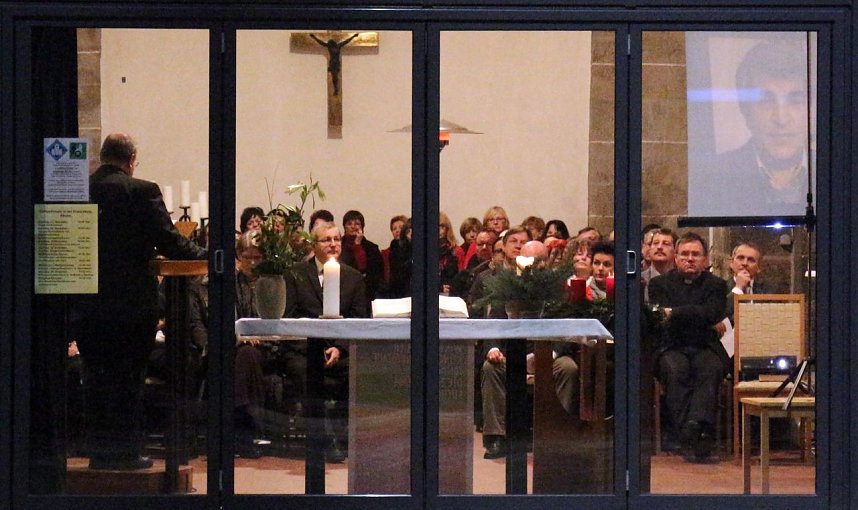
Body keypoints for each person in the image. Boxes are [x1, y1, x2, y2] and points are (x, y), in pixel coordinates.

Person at [78, 133, 206, 470]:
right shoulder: (142, 191)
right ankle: (126, 452)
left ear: (102, 156)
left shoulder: (82, 190)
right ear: (132, 160)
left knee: (96, 377)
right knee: (129, 379)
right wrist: (208, 255)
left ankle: (99, 452)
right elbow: (171, 242)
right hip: (132, 303)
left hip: (88, 303)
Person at [470, 227, 579, 459]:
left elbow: (567, 330)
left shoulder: (559, 290)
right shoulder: (506, 286)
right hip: (511, 355)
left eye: (538, 261)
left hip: (548, 355)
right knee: (490, 368)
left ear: (546, 262)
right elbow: (494, 323)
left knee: (568, 367)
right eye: (528, 260)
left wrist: (548, 356)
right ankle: (497, 437)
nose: (533, 266)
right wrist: (493, 348)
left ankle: (554, 434)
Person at [283, 222, 368, 463]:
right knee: (304, 372)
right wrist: (315, 348)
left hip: (340, 350)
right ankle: (325, 438)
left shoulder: (353, 278)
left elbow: (359, 319)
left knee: (359, 371)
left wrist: (339, 348)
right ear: (313, 245)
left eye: (336, 239)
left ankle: (345, 436)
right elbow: (289, 317)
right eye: (326, 240)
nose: (333, 244)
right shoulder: (296, 274)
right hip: (303, 349)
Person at [703, 40, 811, 216]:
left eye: (795, 101)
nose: (781, 119)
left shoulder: (835, 171)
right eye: (766, 101)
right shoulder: (712, 177)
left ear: (812, 109)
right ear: (745, 108)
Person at [648, 232, 728, 461]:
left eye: (695, 254)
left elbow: (712, 313)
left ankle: (691, 427)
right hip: (672, 346)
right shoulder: (658, 284)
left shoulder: (717, 285)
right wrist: (696, 314)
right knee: (675, 371)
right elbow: (661, 315)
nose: (690, 259)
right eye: (684, 254)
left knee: (710, 369)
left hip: (705, 345)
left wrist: (675, 312)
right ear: (676, 258)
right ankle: (695, 432)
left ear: (705, 259)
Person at [339, 209, 383, 313]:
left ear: (362, 227)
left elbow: (370, 272)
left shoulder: (372, 248)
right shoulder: (338, 246)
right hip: (342, 291)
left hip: (366, 292)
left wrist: (357, 246)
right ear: (344, 227)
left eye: (357, 224)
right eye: (349, 223)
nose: (353, 226)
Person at [642, 228, 677, 304]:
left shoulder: (681, 280)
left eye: (666, 244)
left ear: (675, 251)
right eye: (655, 243)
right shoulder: (640, 280)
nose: (659, 247)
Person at [439, 211, 464, 294]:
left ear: (447, 229)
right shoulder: (426, 252)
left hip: (451, 292)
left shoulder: (456, 250)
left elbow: (461, 275)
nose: (438, 231)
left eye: (441, 227)